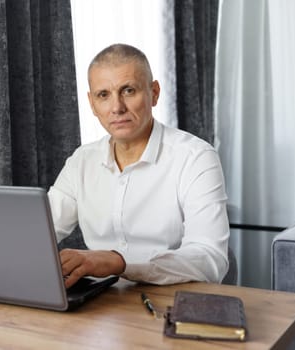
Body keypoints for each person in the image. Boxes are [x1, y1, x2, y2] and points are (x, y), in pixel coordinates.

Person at [48, 43, 229, 288]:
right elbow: (37, 234)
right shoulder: (82, 161)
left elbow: (210, 259)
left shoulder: (196, 157)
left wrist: (121, 263)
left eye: (129, 90)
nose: (117, 107)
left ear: (154, 93)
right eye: (104, 95)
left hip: (173, 301)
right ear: (92, 104)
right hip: (103, 306)